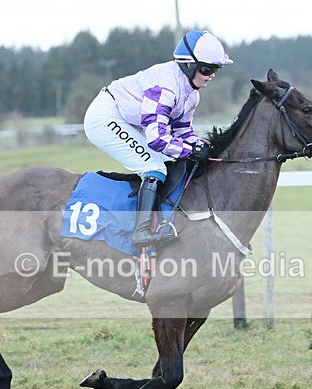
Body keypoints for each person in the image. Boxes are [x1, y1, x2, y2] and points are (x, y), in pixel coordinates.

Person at [83, 30, 233, 247]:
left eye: (215, 69)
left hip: (129, 120)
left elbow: (182, 132)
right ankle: (141, 232)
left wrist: (201, 147)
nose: (212, 75)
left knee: (167, 162)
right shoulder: (166, 86)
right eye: (207, 69)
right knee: (155, 167)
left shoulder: (192, 94)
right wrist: (190, 151)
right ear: (189, 65)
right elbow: (157, 139)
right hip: (105, 116)